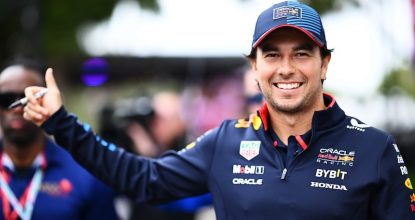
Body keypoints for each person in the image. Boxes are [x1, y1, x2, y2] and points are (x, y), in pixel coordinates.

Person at [22, 1, 415, 219]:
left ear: (324, 63)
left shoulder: (374, 149)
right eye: (272, 54)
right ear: (254, 67)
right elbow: (142, 178)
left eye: (302, 53)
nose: (286, 68)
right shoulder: (226, 142)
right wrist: (63, 122)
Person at [0, 60, 118, 220]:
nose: (18, 108)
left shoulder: (87, 173)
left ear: (46, 102)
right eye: (6, 99)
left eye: (29, 99)